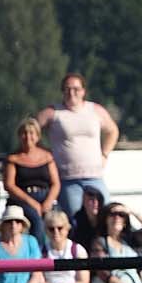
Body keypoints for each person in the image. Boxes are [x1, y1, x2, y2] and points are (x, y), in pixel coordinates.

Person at [38, 72, 119, 219]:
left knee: (105, 216)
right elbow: (32, 130)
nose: (71, 93)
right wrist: (45, 154)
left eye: (76, 89)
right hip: (68, 179)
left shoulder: (95, 110)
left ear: (83, 91)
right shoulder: (54, 112)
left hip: (94, 176)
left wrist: (105, 153)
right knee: (76, 219)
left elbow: (112, 131)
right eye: (67, 89)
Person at [3, 116, 60, 249]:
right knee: (36, 220)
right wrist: (32, 202)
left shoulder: (47, 156)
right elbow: (9, 185)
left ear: (38, 136)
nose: (28, 137)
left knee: (58, 220)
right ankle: (36, 256)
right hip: (22, 198)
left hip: (45, 197)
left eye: (31, 133)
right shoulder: (13, 158)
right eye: (24, 133)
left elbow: (56, 183)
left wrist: (48, 202)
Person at [89, 201, 142, 283]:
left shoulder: (130, 240)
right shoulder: (99, 242)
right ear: (105, 219)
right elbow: (103, 273)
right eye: (112, 214)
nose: (117, 218)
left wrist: (131, 211)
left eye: (121, 215)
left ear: (125, 221)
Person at [38, 209, 90, 283]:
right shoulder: (41, 251)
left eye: (60, 228)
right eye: (51, 229)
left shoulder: (78, 250)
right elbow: (40, 282)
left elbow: (83, 282)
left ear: (67, 228)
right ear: (46, 230)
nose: (56, 232)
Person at [70, 185, 106, 255]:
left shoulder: (106, 219)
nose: (96, 203)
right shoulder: (76, 221)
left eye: (98, 199)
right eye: (91, 199)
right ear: (84, 202)